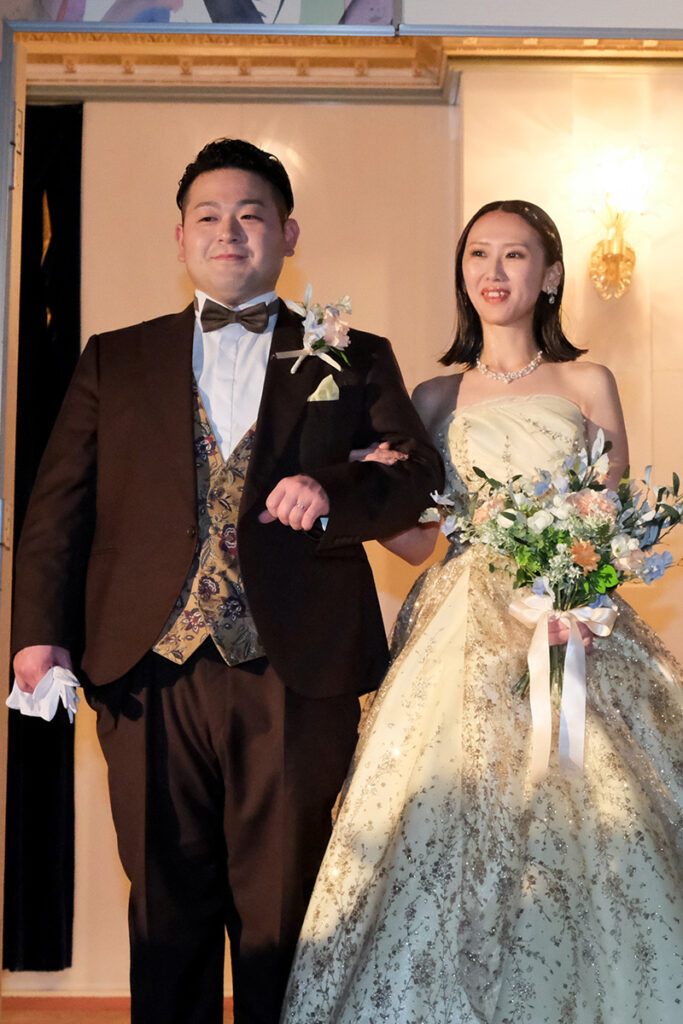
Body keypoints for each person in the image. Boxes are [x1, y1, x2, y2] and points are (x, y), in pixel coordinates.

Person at [10, 138, 443, 1024]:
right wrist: (37, 633)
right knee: (164, 911)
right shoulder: (114, 358)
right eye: (208, 215)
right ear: (180, 238)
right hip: (145, 665)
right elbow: (59, 506)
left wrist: (333, 491)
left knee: (283, 912)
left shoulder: (351, 354)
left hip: (297, 667)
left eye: (251, 214)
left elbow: (416, 480)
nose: (229, 231)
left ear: (288, 233)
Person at [280, 200, 683, 1023]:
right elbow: (419, 543)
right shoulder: (433, 395)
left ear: (551, 274)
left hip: (565, 618)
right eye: (477, 255)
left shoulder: (587, 381)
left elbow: (604, 518)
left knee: (594, 809)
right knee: (444, 813)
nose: (493, 272)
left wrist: (572, 580)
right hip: (456, 625)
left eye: (514, 255)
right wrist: (358, 487)